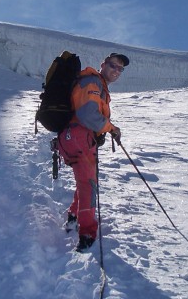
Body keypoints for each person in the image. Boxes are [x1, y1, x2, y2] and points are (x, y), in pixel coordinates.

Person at [57, 53, 129, 252]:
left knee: (86, 180)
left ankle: (73, 216)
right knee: (89, 184)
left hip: (73, 137)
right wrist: (111, 128)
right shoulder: (92, 82)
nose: (116, 71)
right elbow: (87, 114)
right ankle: (87, 232)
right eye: (113, 66)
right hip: (79, 137)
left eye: (120, 69)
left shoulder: (96, 84)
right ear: (103, 64)